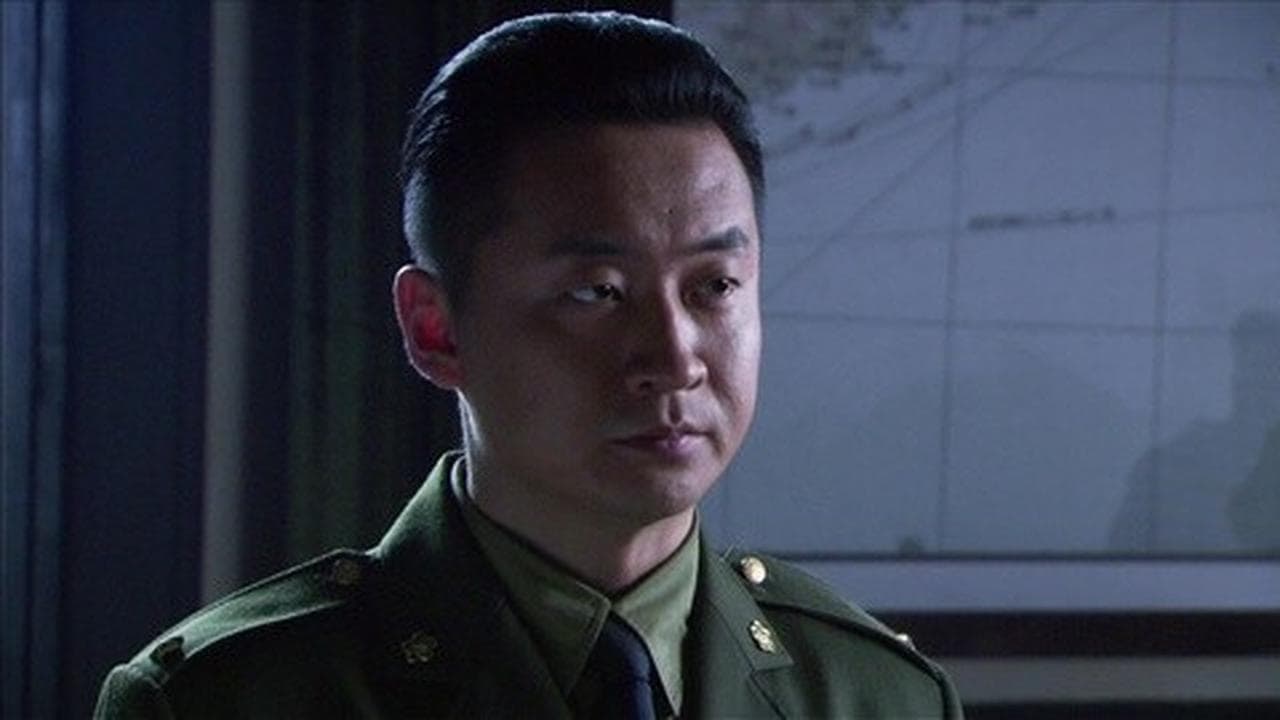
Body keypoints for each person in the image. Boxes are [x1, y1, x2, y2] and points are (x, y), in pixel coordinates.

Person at [96, 12, 961, 718]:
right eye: (596, 292)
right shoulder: (228, 699)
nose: (673, 359)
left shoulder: (877, 698)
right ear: (436, 329)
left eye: (714, 286)